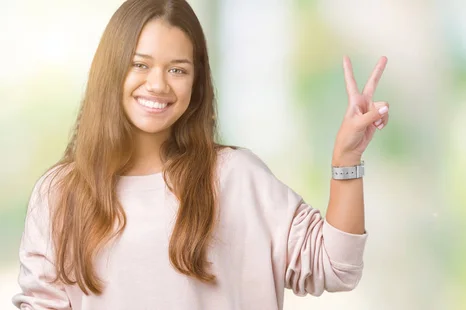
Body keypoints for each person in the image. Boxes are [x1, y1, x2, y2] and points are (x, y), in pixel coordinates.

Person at [12, 0, 390, 309]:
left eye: (178, 69)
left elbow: (337, 267)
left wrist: (346, 159)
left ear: (197, 81)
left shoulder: (234, 177)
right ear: (110, 69)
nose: (157, 84)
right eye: (140, 64)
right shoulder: (61, 193)